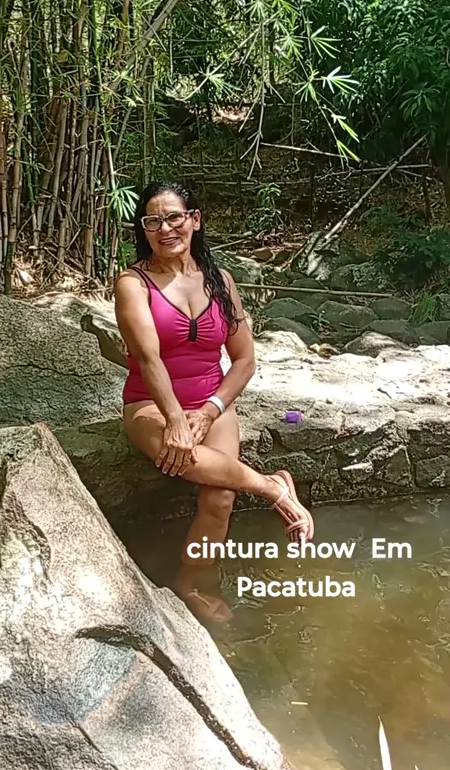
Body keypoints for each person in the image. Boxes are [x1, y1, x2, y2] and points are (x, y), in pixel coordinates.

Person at [114, 180, 314, 622]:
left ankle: (191, 580)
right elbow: (148, 358)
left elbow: (244, 360)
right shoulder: (132, 282)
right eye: (153, 221)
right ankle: (273, 487)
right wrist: (175, 420)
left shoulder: (220, 280)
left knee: (221, 498)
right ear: (143, 229)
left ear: (195, 220)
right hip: (150, 404)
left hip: (212, 402)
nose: (165, 228)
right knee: (181, 454)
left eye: (174, 217)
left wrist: (209, 411)